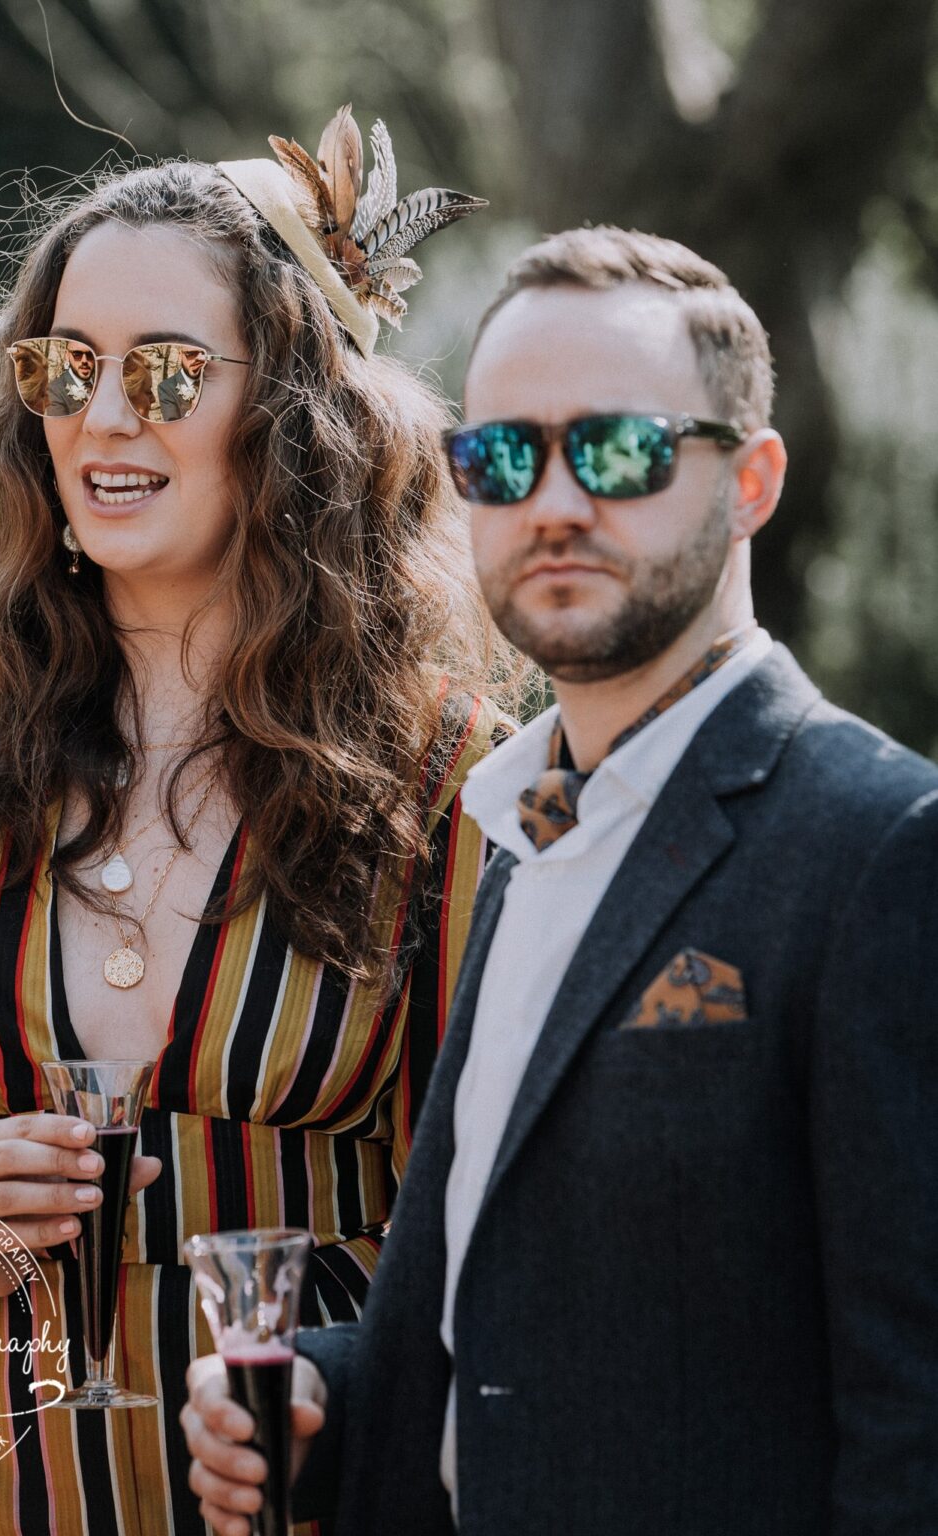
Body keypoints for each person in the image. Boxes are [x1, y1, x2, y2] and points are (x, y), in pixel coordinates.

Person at [0, 108, 518, 1535]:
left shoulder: (448, 774)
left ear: (289, 407)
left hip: (297, 1491)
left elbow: (498, 1232)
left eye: (164, 371)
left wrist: (345, 1384)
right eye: (61, 366)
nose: (101, 416)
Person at [182, 226, 938, 1536]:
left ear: (748, 479)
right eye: (499, 456)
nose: (554, 502)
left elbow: (916, 1416)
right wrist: (326, 1397)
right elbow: (526, 1322)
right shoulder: (518, 832)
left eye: (619, 450)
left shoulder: (883, 847)